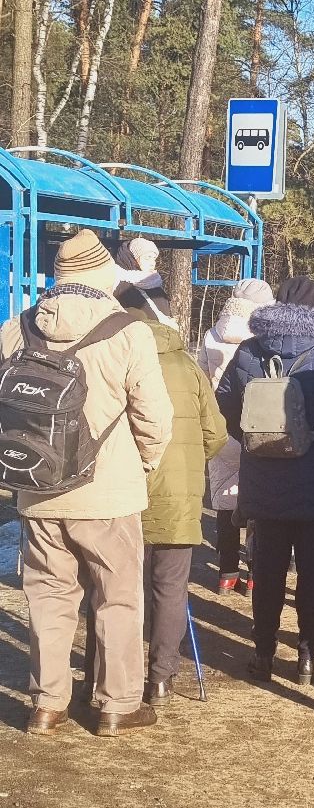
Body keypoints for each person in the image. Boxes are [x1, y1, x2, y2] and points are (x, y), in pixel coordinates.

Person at [0, 230, 173, 735]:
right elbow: (155, 420)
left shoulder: (17, 329)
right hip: (109, 494)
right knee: (117, 598)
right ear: (104, 277)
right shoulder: (128, 331)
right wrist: (140, 468)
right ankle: (117, 705)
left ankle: (47, 704)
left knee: (48, 598)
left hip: (37, 490)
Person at [216, 276, 314, 686]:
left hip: (265, 480)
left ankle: (262, 655)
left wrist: (260, 441)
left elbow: (226, 407)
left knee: (267, 568)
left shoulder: (249, 351)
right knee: (313, 571)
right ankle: (307, 657)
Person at [118, 285, 227, 702]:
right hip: (178, 498)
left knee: (121, 588)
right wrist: (189, 461)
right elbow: (215, 434)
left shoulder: (115, 358)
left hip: (125, 493)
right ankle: (160, 677)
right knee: (170, 587)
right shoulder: (187, 365)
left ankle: (117, 672)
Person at [197, 277, 274, 590]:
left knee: (223, 497)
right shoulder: (263, 338)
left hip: (219, 422)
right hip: (255, 424)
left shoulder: (211, 334)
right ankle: (254, 573)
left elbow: (201, 378)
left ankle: (227, 572)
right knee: (257, 498)